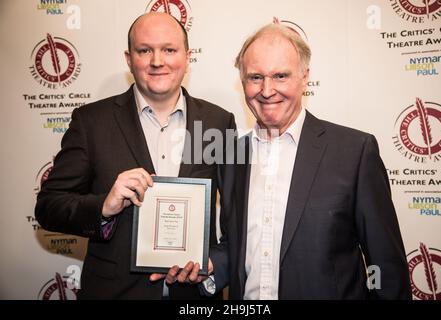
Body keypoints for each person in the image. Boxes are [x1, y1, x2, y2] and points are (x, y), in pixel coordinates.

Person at [175, 23, 412, 299]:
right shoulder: (230, 157)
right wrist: (210, 266)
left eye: (280, 76)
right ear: (242, 82)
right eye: (255, 77)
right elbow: (235, 244)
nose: (267, 90)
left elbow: (386, 268)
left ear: (304, 78)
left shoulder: (354, 152)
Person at [35, 12, 236, 299]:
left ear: (187, 56)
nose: (157, 61)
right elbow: (48, 206)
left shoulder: (219, 122)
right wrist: (103, 207)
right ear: (129, 59)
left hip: (193, 296)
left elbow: (236, 215)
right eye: (145, 50)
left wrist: (214, 261)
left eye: (169, 49)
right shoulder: (91, 122)